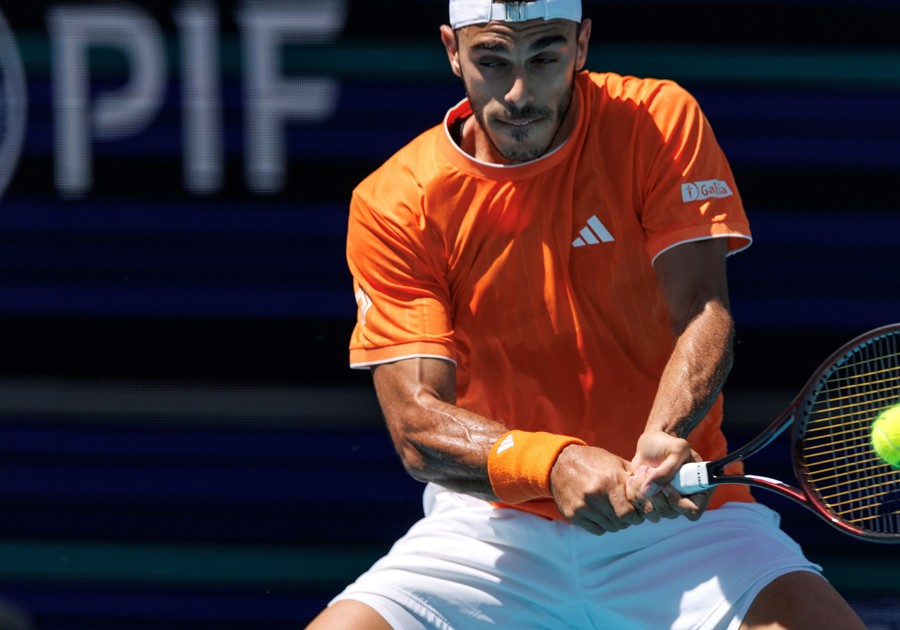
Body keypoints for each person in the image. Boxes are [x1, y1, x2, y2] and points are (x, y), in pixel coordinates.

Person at [308, 1, 865, 628]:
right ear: (452, 51)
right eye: (493, 61)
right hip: (488, 529)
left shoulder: (656, 120)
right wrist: (553, 464)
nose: (520, 93)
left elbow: (702, 310)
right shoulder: (396, 201)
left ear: (581, 45)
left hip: (684, 526)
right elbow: (417, 424)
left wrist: (664, 434)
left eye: (545, 57)